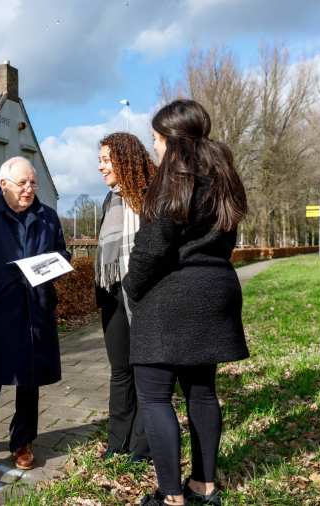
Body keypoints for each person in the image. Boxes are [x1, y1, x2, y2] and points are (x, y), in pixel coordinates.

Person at [123, 100, 249, 506]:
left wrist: (131, 286)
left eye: (157, 139)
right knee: (202, 391)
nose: (155, 148)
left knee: (155, 396)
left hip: (171, 297)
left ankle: (170, 495)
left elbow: (152, 249)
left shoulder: (173, 179)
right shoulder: (222, 177)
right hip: (215, 292)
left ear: (173, 141)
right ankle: (204, 486)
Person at [0, 156, 71, 470]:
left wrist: (53, 266)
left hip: (34, 309)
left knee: (29, 380)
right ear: (3, 184)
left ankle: (22, 441)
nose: (29, 189)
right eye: (22, 183)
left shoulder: (47, 216)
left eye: (33, 182)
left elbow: (62, 251)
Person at [94, 132, 156, 463]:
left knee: (145, 368)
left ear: (124, 159)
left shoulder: (151, 196)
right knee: (120, 370)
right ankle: (117, 440)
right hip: (113, 293)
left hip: (145, 292)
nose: (101, 167)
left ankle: (141, 445)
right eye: (100, 161)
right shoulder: (110, 199)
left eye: (106, 160)